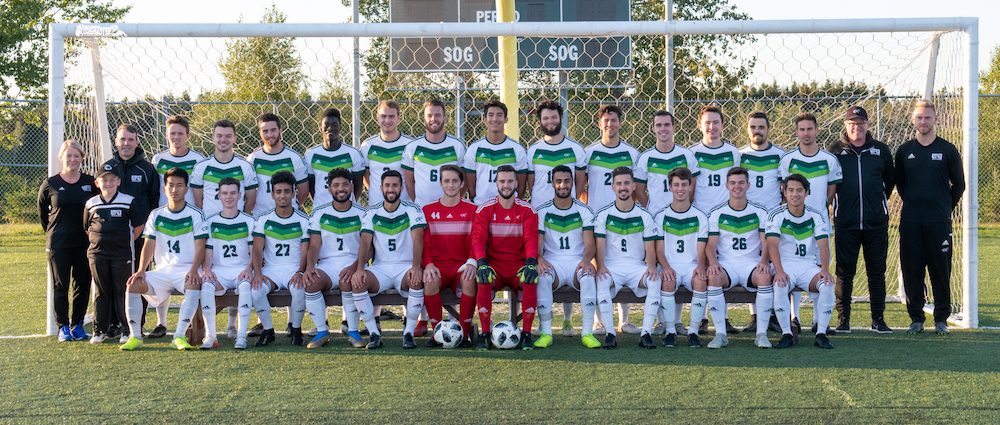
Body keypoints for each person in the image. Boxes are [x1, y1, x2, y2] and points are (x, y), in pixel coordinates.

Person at [119, 167, 210, 351]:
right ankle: (135, 336)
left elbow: (201, 247)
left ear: (186, 188)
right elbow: (148, 246)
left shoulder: (195, 214)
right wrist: (141, 270)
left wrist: (194, 270)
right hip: (162, 271)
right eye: (171, 185)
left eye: (179, 185)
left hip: (186, 270)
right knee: (133, 285)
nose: (174, 189)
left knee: (193, 283)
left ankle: (178, 336)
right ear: (164, 189)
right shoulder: (156, 215)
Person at [895, 100, 965, 335]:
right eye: (919, 117)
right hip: (911, 221)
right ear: (913, 120)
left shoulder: (948, 150)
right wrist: (916, 204)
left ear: (936, 120)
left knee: (940, 271)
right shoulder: (904, 151)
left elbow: (959, 185)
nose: (923, 121)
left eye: (927, 117)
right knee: (912, 271)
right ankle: (916, 317)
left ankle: (941, 319)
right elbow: (902, 185)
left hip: (939, 222)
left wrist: (944, 207)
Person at [634, 110, 701, 336]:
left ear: (674, 127)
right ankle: (662, 321)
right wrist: (653, 209)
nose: (663, 129)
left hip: (681, 217)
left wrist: (681, 208)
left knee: (678, 262)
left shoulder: (686, 155)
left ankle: (677, 320)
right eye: (658, 125)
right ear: (653, 128)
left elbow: (693, 188)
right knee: (662, 266)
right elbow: (640, 191)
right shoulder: (645, 157)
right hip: (656, 220)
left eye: (666, 125)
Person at [828, 105, 895, 334]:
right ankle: (843, 320)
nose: (857, 127)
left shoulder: (881, 150)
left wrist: (875, 204)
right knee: (844, 272)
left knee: (876, 272)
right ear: (846, 125)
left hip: (876, 223)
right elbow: (830, 184)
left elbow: (889, 182)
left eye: (861, 123)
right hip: (845, 222)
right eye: (852, 123)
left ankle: (878, 319)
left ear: (867, 125)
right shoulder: (834, 151)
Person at [525, 100, 588, 336]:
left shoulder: (575, 148)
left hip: (567, 211)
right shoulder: (533, 150)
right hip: (541, 216)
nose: (549, 122)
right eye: (545, 118)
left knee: (568, 258)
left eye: (553, 117)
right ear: (540, 121)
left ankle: (568, 321)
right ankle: (534, 324)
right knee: (543, 264)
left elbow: (580, 180)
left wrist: (576, 202)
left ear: (561, 118)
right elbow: (531, 183)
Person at [779, 112, 843, 334]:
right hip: (793, 226)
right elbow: (785, 192)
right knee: (794, 268)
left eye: (810, 129)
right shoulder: (787, 160)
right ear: (796, 132)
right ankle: (794, 317)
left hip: (819, 226)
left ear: (817, 131)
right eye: (802, 129)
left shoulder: (829, 159)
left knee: (820, 271)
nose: (806, 133)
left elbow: (830, 194)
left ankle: (818, 321)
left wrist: (815, 215)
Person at [350, 170, 427, 349]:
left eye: (394, 185)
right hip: (381, 268)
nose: (391, 189)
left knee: (417, 279)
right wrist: (360, 268)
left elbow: (418, 240)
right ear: (380, 188)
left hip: (405, 267)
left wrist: (416, 267)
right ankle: (374, 334)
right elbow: (365, 242)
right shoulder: (372, 212)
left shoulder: (412, 209)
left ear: (401, 188)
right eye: (387, 185)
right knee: (358, 282)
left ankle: (408, 333)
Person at [583, 104, 641, 336]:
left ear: (620, 123)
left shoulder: (631, 153)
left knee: (623, 262)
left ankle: (624, 320)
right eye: (606, 120)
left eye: (614, 120)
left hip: (624, 217)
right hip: (598, 218)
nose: (610, 124)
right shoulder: (589, 152)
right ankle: (599, 321)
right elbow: (581, 186)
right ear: (599, 124)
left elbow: (635, 188)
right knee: (600, 268)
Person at [592, 166, 662, 349]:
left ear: (633, 186)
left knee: (655, 281)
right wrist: (600, 266)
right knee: (601, 281)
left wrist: (652, 266)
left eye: (627, 183)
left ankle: (646, 333)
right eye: (619, 184)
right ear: (613, 187)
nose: (623, 187)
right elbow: (599, 246)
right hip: (611, 267)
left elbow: (650, 248)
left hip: (636, 267)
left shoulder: (644, 216)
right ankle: (610, 333)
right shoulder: (603, 215)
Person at [472, 165, 540, 350]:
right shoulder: (484, 209)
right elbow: (478, 239)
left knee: (530, 278)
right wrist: (482, 263)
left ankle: (526, 334)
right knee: (483, 278)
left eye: (510, 181)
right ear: (496, 184)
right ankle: (485, 335)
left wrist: (531, 263)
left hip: (518, 267)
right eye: (502, 181)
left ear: (517, 183)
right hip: (495, 267)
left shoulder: (528, 210)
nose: (506, 185)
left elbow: (531, 239)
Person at [704, 167, 774, 349]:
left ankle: (761, 334)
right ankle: (720, 334)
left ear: (748, 185)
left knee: (765, 276)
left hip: (752, 264)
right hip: (727, 265)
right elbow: (710, 245)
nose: (737, 187)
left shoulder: (760, 212)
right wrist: (712, 263)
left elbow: (766, 242)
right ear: (726, 186)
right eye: (733, 183)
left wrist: (764, 261)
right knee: (713, 277)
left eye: (741, 183)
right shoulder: (717, 213)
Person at [102, 124, 160, 339]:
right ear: (116, 141)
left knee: (137, 278)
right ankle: (112, 324)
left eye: (130, 140)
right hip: (111, 237)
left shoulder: (146, 169)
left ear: (137, 142)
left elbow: (153, 199)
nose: (126, 143)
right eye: (122, 139)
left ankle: (137, 324)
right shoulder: (107, 167)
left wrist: (144, 226)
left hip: (138, 235)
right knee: (110, 281)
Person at [765, 174, 836, 349]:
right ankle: (786, 334)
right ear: (784, 192)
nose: (794, 194)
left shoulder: (816, 215)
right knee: (780, 285)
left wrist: (825, 269)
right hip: (784, 265)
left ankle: (821, 333)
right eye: (790, 190)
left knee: (826, 284)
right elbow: (772, 245)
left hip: (807, 266)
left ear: (807, 192)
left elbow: (823, 244)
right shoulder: (776, 215)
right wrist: (779, 271)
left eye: (799, 190)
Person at [38, 140, 97, 341]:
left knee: (82, 283)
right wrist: (54, 233)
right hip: (59, 242)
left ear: (82, 158)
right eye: (68, 155)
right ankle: (62, 326)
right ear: (61, 157)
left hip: (85, 242)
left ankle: (77, 325)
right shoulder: (51, 183)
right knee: (60, 284)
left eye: (76, 156)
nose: (72, 159)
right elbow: (42, 214)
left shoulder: (91, 182)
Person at [535, 165, 598, 348]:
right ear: (553, 183)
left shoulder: (584, 210)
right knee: (542, 277)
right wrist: (540, 259)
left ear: (572, 183)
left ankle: (587, 333)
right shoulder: (542, 211)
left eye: (567, 181)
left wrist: (586, 261)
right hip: (552, 262)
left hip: (576, 263)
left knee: (587, 278)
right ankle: (546, 333)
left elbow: (590, 245)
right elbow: (537, 245)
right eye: (558, 181)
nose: (563, 185)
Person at [303, 168, 366, 348]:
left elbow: (367, 248)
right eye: (336, 185)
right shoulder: (319, 214)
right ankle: (322, 332)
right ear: (329, 189)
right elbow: (314, 246)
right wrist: (309, 268)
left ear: (352, 187)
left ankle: (353, 331)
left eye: (345, 184)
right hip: (328, 265)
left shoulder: (363, 214)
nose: (341, 188)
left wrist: (356, 266)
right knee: (311, 282)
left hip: (353, 262)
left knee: (349, 280)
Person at [250, 171, 312, 347]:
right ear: (272, 194)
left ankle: (296, 330)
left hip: (294, 269)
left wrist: (301, 271)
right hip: (271, 270)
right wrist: (258, 273)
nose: (282, 195)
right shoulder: (263, 220)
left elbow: (306, 251)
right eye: (278, 192)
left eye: (286, 191)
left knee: (299, 290)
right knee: (256, 290)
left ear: (294, 193)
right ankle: (268, 331)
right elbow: (257, 249)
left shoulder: (304, 220)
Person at [421, 164, 479, 347]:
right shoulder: (428, 211)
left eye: (455, 181)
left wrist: (471, 262)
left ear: (462, 183)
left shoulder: (473, 211)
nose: (451, 185)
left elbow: (476, 242)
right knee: (429, 280)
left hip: (461, 267)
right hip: (438, 267)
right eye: (446, 181)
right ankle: (437, 333)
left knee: (470, 280)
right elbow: (425, 244)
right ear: (440, 184)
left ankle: (462, 334)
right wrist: (429, 264)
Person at [84, 164, 144, 344]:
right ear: (97, 183)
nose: (108, 183)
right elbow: (87, 228)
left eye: (112, 179)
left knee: (122, 291)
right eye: (104, 180)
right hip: (97, 254)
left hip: (121, 254)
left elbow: (139, 226)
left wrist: (122, 242)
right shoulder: (91, 203)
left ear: (118, 181)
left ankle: (126, 330)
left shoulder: (128, 201)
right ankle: (99, 330)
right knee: (101, 291)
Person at [738, 112, 785, 334]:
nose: (757, 131)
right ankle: (755, 316)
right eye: (753, 127)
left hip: (773, 219)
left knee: (774, 264)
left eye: (761, 127)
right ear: (748, 130)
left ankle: (775, 315)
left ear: (768, 129)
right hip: (747, 221)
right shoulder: (740, 156)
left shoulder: (780, 156)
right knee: (753, 264)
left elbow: (786, 187)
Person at [652, 167, 709, 348]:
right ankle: (670, 331)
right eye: (676, 185)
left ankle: (693, 332)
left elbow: (701, 249)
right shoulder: (661, 216)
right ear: (670, 187)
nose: (680, 189)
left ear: (691, 186)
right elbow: (659, 251)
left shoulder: (700, 216)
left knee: (701, 280)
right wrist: (667, 267)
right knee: (668, 281)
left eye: (684, 184)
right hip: (670, 265)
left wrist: (700, 266)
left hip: (691, 265)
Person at [200, 177, 257, 349]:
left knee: (246, 287)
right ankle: (210, 336)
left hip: (242, 270)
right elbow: (208, 251)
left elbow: (255, 252)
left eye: (233, 193)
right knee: (207, 285)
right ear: (219, 195)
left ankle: (241, 336)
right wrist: (208, 269)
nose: (229, 197)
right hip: (220, 272)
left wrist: (249, 268)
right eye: (225, 193)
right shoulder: (210, 222)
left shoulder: (249, 221)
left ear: (240, 195)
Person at [402, 99, 467, 206]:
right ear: (424, 119)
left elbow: (465, 181)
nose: (433, 119)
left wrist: (454, 202)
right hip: (422, 210)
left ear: (445, 119)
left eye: (437, 115)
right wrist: (419, 204)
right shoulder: (412, 147)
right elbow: (409, 183)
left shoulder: (457, 145)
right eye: (429, 116)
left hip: (449, 209)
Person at [191, 119, 258, 218]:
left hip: (237, 225)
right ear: (213, 138)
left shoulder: (245, 166)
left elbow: (251, 201)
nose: (223, 139)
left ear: (235, 139)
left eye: (228, 136)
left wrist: (240, 218)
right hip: (210, 226)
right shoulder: (201, 167)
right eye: (219, 136)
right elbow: (198, 202)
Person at [464, 100, 529, 203]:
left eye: (499, 115)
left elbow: (521, 186)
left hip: (508, 208)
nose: (495, 119)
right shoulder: (474, 148)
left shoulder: (517, 149)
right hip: (481, 207)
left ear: (506, 119)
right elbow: (471, 186)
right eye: (491, 115)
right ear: (485, 119)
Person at [247, 113, 310, 217]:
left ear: (280, 130)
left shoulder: (294, 158)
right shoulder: (252, 159)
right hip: (261, 219)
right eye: (265, 131)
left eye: (273, 130)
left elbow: (304, 192)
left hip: (288, 219)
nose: (270, 135)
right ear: (260, 133)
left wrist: (289, 208)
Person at [305, 108, 365, 207]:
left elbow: (358, 186)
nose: (330, 128)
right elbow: (311, 188)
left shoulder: (353, 153)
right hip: (321, 212)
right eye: (326, 125)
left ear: (340, 127)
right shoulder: (311, 154)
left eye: (334, 125)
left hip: (346, 213)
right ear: (320, 128)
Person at [361, 100, 415, 206]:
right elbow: (365, 177)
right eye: (383, 116)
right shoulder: (368, 145)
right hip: (376, 208)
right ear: (377, 117)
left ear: (399, 117)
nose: (387, 120)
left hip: (404, 209)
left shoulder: (410, 145)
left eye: (391, 116)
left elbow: (414, 179)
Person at [691, 105, 741, 213]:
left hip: (726, 214)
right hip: (700, 213)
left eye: (716, 122)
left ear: (722, 125)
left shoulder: (732, 152)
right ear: (700, 126)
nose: (712, 127)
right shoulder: (691, 153)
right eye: (707, 123)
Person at [152, 116, 205, 208]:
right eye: (172, 133)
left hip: (189, 216)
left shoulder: (198, 159)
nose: (176, 137)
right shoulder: (157, 160)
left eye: (180, 133)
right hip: (165, 217)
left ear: (187, 136)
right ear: (167, 135)